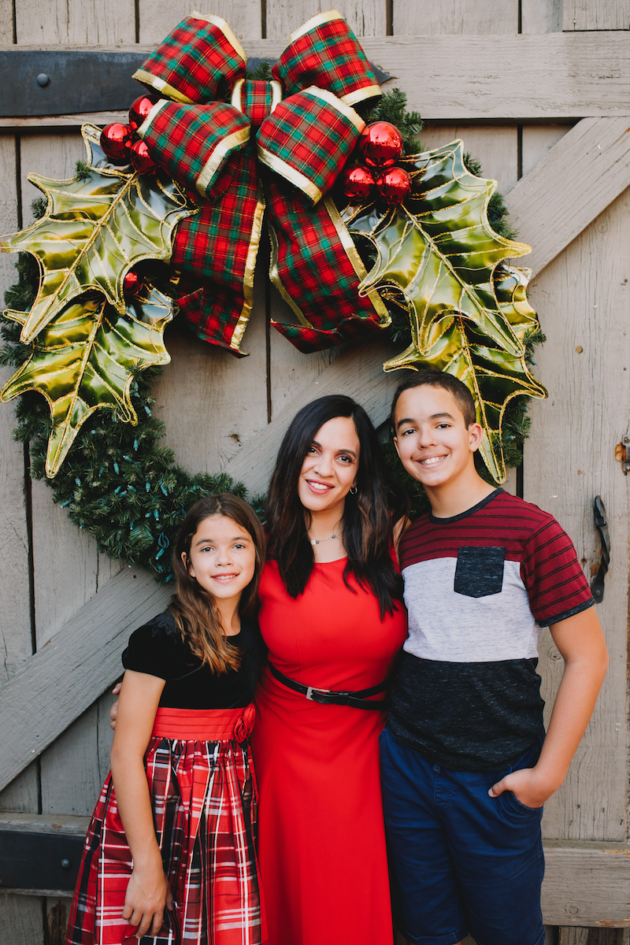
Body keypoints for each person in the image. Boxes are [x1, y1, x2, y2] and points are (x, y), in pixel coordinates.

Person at [380, 369, 609, 945]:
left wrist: (547, 775)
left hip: (495, 776)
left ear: (475, 434)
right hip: (408, 766)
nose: (425, 440)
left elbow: (589, 658)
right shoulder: (407, 538)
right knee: (427, 930)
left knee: (507, 932)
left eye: (441, 423)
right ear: (397, 446)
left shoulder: (530, 529)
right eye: (408, 430)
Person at [67, 494, 268, 945]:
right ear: (188, 562)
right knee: (148, 923)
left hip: (226, 807)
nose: (224, 560)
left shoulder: (258, 631)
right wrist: (147, 864)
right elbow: (125, 756)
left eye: (238, 545)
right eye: (207, 548)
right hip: (160, 806)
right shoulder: (164, 637)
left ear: (257, 552)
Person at [252, 394, 408, 945]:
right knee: (290, 908)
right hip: (284, 748)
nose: (323, 469)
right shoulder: (257, 548)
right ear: (294, 455)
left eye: (344, 458)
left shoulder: (395, 541)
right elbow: (207, 635)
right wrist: (148, 692)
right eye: (313, 450)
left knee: (349, 910)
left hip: (370, 751)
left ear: (360, 474)